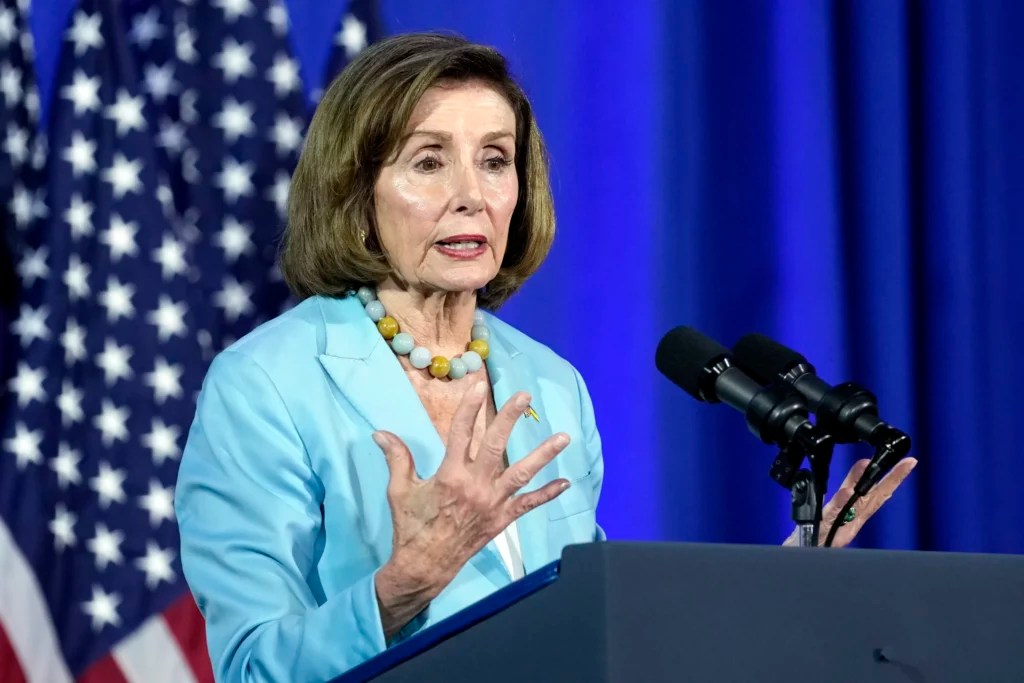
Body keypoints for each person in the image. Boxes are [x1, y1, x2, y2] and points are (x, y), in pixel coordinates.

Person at [174, 32, 916, 683]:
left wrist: (786, 578)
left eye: (495, 160)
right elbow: (251, 667)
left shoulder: (550, 384)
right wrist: (405, 583)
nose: (471, 194)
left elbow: (595, 631)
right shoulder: (266, 383)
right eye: (429, 161)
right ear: (355, 191)